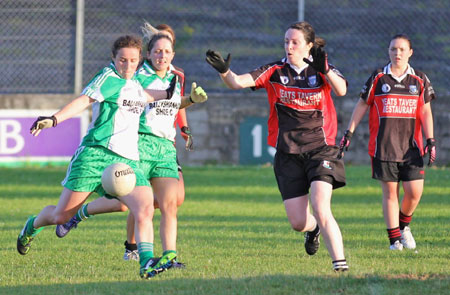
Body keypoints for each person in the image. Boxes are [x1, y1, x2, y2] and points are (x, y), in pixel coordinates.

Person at [16, 35, 179, 279]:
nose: (127, 65)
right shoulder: (108, 77)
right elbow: (83, 100)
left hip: (127, 161)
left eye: (133, 60)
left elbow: (143, 96)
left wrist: (166, 92)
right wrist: (54, 119)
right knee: (61, 216)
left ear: (139, 60)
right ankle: (32, 225)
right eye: (122, 60)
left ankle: (146, 263)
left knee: (144, 208)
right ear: (113, 59)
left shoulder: (135, 83)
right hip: (94, 156)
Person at [55, 24, 207, 271]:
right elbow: (127, 97)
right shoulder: (136, 74)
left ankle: (168, 256)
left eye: (167, 51)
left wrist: (188, 113)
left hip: (165, 147)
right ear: (149, 54)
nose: (162, 55)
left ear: (173, 53)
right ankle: (126, 244)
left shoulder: (177, 76)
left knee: (168, 202)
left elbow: (172, 104)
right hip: (138, 144)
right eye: (158, 51)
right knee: (131, 203)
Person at [206, 21, 349, 272]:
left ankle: (340, 266)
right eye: (286, 42)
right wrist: (224, 72)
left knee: (320, 204)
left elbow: (342, 90)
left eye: (295, 42)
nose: (289, 46)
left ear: (308, 46)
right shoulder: (274, 70)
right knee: (297, 222)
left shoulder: (322, 70)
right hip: (287, 153)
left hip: (321, 149)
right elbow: (238, 82)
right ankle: (312, 229)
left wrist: (325, 69)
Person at [339, 34, 436, 251]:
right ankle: (394, 241)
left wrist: (430, 140)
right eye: (393, 49)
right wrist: (349, 132)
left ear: (410, 52)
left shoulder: (419, 79)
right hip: (384, 147)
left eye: (402, 49)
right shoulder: (379, 78)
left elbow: (425, 111)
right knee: (390, 194)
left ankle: (404, 227)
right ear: (388, 51)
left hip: (412, 148)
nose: (397, 53)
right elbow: (363, 104)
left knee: (414, 192)